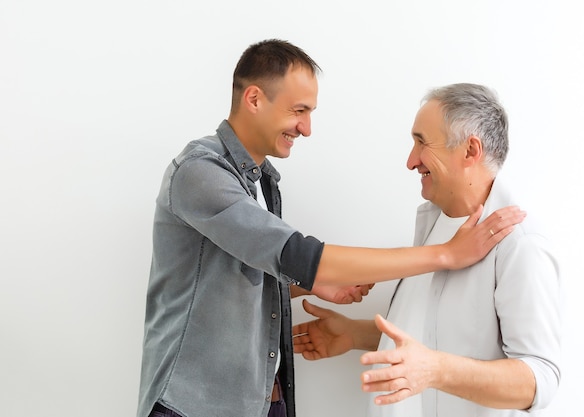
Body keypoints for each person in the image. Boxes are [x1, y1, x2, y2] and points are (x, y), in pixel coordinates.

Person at [136, 39, 525, 417]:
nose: (306, 128)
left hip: (261, 403)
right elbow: (297, 254)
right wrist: (446, 255)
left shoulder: (260, 181)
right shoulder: (200, 173)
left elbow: (235, 279)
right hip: (192, 406)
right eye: (299, 110)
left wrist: (312, 285)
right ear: (254, 99)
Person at [293, 83, 561, 417]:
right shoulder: (433, 224)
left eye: (422, 142)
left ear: (470, 151)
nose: (410, 161)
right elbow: (430, 333)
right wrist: (352, 333)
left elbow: (540, 379)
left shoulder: (519, 243)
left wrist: (437, 371)